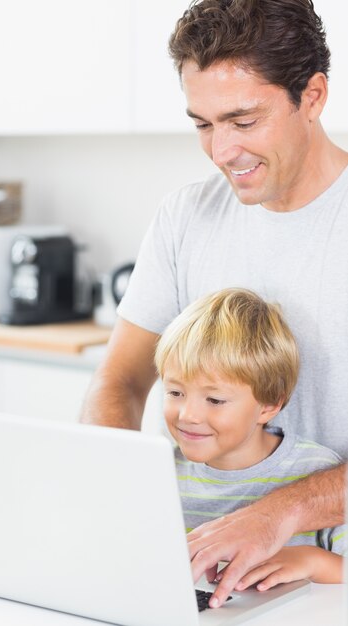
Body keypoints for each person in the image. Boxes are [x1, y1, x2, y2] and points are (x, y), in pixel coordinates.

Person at [81, 0, 348, 607]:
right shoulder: (186, 216)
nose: (221, 152)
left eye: (243, 121)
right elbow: (119, 381)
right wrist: (109, 491)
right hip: (203, 577)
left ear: (312, 96)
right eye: (202, 124)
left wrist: (278, 513)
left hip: (329, 573)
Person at [154, 288, 345, 601]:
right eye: (175, 392)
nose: (188, 415)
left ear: (268, 406)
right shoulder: (160, 471)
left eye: (214, 399)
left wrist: (314, 562)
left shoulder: (316, 473)